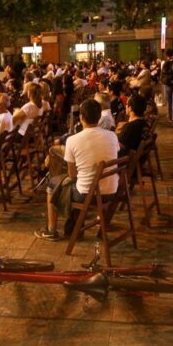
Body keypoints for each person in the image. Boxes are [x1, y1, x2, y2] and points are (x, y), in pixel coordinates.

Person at [35, 99, 119, 241]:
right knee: (71, 182)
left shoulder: (73, 140)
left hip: (88, 193)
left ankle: (51, 229)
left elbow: (72, 174)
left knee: (53, 185)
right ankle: (73, 226)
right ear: (99, 117)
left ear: (81, 117)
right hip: (112, 190)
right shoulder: (112, 135)